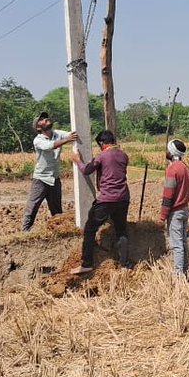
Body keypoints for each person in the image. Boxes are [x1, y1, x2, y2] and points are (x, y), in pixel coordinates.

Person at [70, 130, 131, 274]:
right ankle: (124, 265)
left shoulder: (102, 156)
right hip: (123, 198)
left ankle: (87, 263)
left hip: (107, 199)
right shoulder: (123, 155)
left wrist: (77, 160)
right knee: (121, 230)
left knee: (90, 228)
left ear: (102, 144)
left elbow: (86, 170)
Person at [22, 111, 76, 231]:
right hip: (41, 179)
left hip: (54, 178)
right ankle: (25, 230)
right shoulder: (38, 140)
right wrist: (67, 140)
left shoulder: (57, 133)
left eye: (46, 117)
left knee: (56, 208)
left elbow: (70, 134)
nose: (46, 119)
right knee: (33, 206)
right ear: (38, 127)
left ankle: (60, 229)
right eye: (42, 119)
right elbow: (50, 146)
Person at [161, 138, 189, 279]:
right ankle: (186, 272)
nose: (166, 152)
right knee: (184, 242)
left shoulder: (172, 169)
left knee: (177, 245)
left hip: (175, 211)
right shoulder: (186, 168)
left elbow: (168, 195)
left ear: (172, 152)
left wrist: (163, 216)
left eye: (167, 149)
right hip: (185, 209)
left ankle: (178, 276)